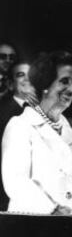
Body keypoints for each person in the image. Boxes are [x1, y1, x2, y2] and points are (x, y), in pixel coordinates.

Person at [1, 51, 72, 215]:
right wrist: (54, 211)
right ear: (45, 84)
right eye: (64, 81)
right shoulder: (20, 126)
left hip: (71, 230)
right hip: (31, 228)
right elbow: (16, 184)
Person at [0, 62, 36, 210]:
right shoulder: (2, 112)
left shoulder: (43, 110)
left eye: (31, 75)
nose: (27, 79)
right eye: (20, 75)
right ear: (10, 84)